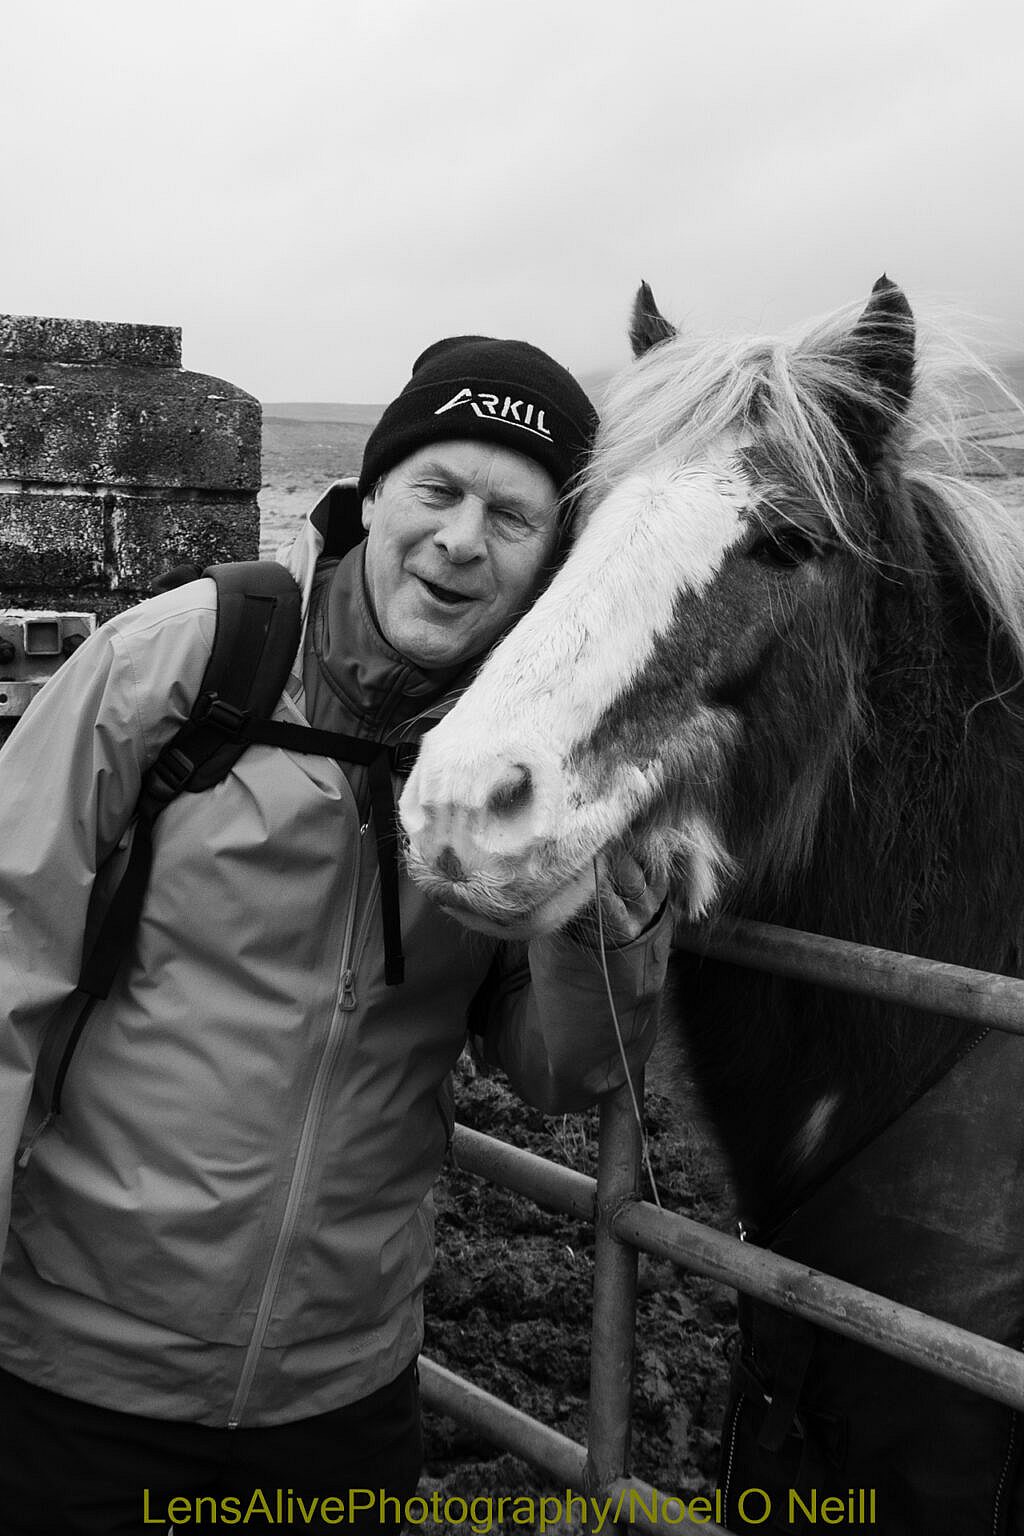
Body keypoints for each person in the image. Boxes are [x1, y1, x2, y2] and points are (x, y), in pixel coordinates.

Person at [0, 336, 670, 1534]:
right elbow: (8, 961)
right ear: (370, 500)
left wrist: (601, 912)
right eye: (438, 490)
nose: (464, 540)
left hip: (343, 1399)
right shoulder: (185, 662)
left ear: (550, 564)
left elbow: (562, 1072)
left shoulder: (525, 769)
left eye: (513, 517)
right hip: (71, 1375)